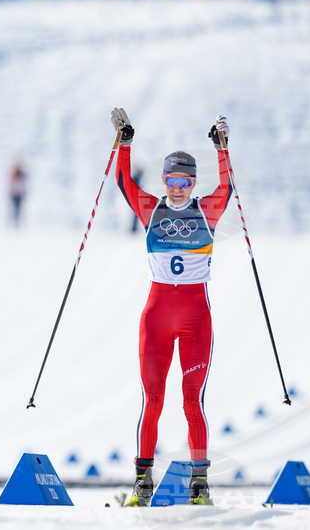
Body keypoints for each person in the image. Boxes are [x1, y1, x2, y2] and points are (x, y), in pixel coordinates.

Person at [110, 107, 231, 507]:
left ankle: (200, 485)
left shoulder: (205, 210)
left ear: (193, 183)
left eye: (185, 181)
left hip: (196, 317)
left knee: (192, 400)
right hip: (157, 316)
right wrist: (125, 144)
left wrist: (222, 148)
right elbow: (124, 181)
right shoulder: (150, 209)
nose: (178, 188)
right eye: (171, 180)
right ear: (163, 181)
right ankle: (142, 482)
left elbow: (227, 187)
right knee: (153, 399)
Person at [9, 161, 27, 227]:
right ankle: (13, 221)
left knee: (18, 208)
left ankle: (17, 221)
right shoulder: (13, 176)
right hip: (14, 194)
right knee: (13, 208)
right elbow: (11, 185)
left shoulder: (22, 176)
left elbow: (24, 185)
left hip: (19, 194)